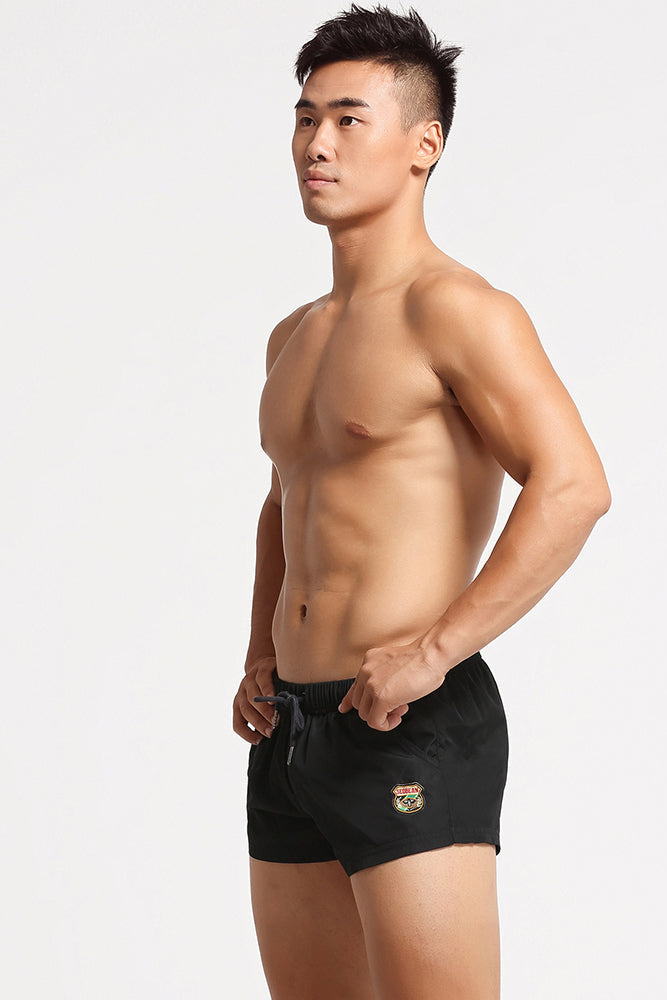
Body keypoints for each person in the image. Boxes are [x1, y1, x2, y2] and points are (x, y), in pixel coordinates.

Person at [232, 4, 611, 998]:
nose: (316, 143)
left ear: (423, 144)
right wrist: (260, 648)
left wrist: (436, 650)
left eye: (348, 119)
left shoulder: (459, 310)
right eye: (306, 118)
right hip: (292, 729)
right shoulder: (294, 337)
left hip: (411, 720)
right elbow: (286, 498)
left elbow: (575, 485)